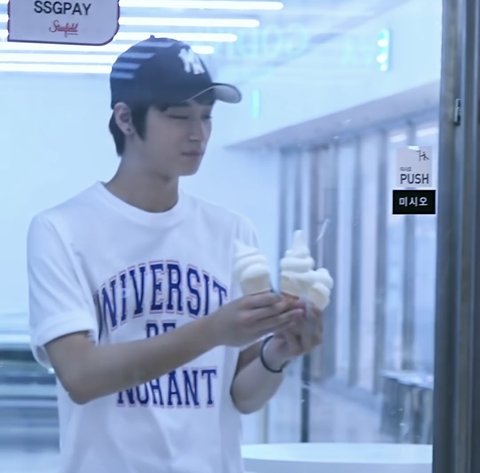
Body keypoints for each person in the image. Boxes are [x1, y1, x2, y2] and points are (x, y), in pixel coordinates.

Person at [27, 36, 324, 473]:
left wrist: (278, 352)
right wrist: (213, 330)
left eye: (206, 116)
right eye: (179, 116)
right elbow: (81, 376)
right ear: (125, 119)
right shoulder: (61, 230)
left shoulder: (232, 231)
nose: (197, 133)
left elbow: (242, 396)